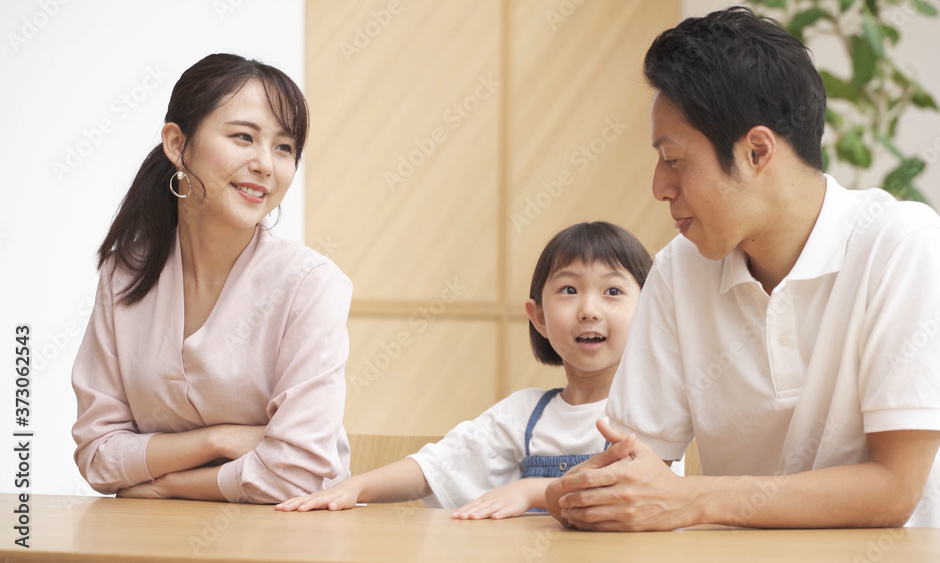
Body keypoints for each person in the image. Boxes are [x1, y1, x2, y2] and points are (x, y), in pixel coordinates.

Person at [546, 7, 940, 531]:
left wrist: (692, 499)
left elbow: (893, 491)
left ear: (756, 151)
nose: (659, 186)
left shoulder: (907, 249)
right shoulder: (680, 269)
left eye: (674, 159)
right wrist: (566, 493)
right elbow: (635, 465)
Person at [71, 53, 352, 504]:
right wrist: (216, 441)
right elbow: (98, 454)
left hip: (290, 532)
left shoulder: (311, 285)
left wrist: (164, 485)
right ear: (177, 144)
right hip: (149, 533)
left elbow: (295, 473)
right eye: (244, 137)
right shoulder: (124, 274)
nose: (266, 164)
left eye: (284, 147)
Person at [275, 222, 653, 519]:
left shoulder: (653, 409)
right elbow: (437, 467)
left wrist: (531, 491)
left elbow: (637, 492)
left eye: (612, 292)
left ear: (650, 310)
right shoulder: (525, 413)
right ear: (538, 317)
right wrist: (355, 488)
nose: (589, 310)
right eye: (569, 290)